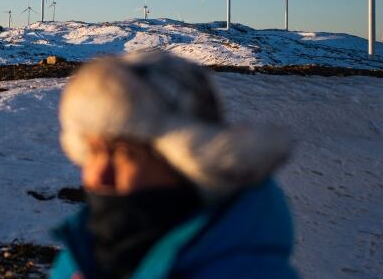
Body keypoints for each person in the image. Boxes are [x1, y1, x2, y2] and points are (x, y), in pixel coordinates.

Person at [49, 52, 298, 279]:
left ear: (188, 159)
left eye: (124, 154)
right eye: (93, 151)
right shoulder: (80, 255)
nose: (98, 176)